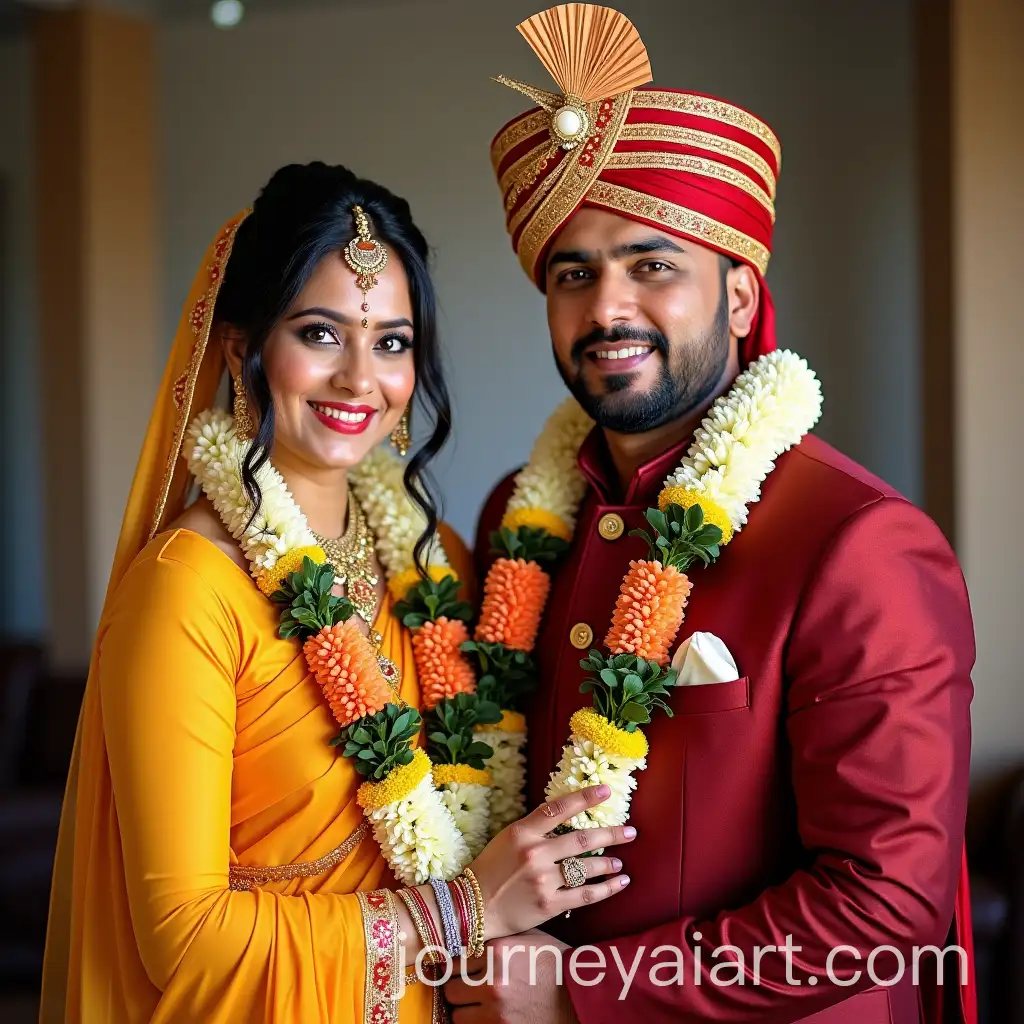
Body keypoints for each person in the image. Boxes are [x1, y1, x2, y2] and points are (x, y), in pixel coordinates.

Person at [451, 5, 977, 1023]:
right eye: (573, 273)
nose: (606, 307)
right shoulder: (516, 517)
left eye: (652, 266)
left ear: (738, 297)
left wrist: (579, 992)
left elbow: (882, 902)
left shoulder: (859, 541)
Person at [40, 162, 635, 1023]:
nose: (362, 379)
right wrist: (466, 910)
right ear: (244, 347)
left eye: (392, 341)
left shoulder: (434, 562)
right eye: (322, 334)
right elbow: (181, 933)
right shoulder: (188, 589)